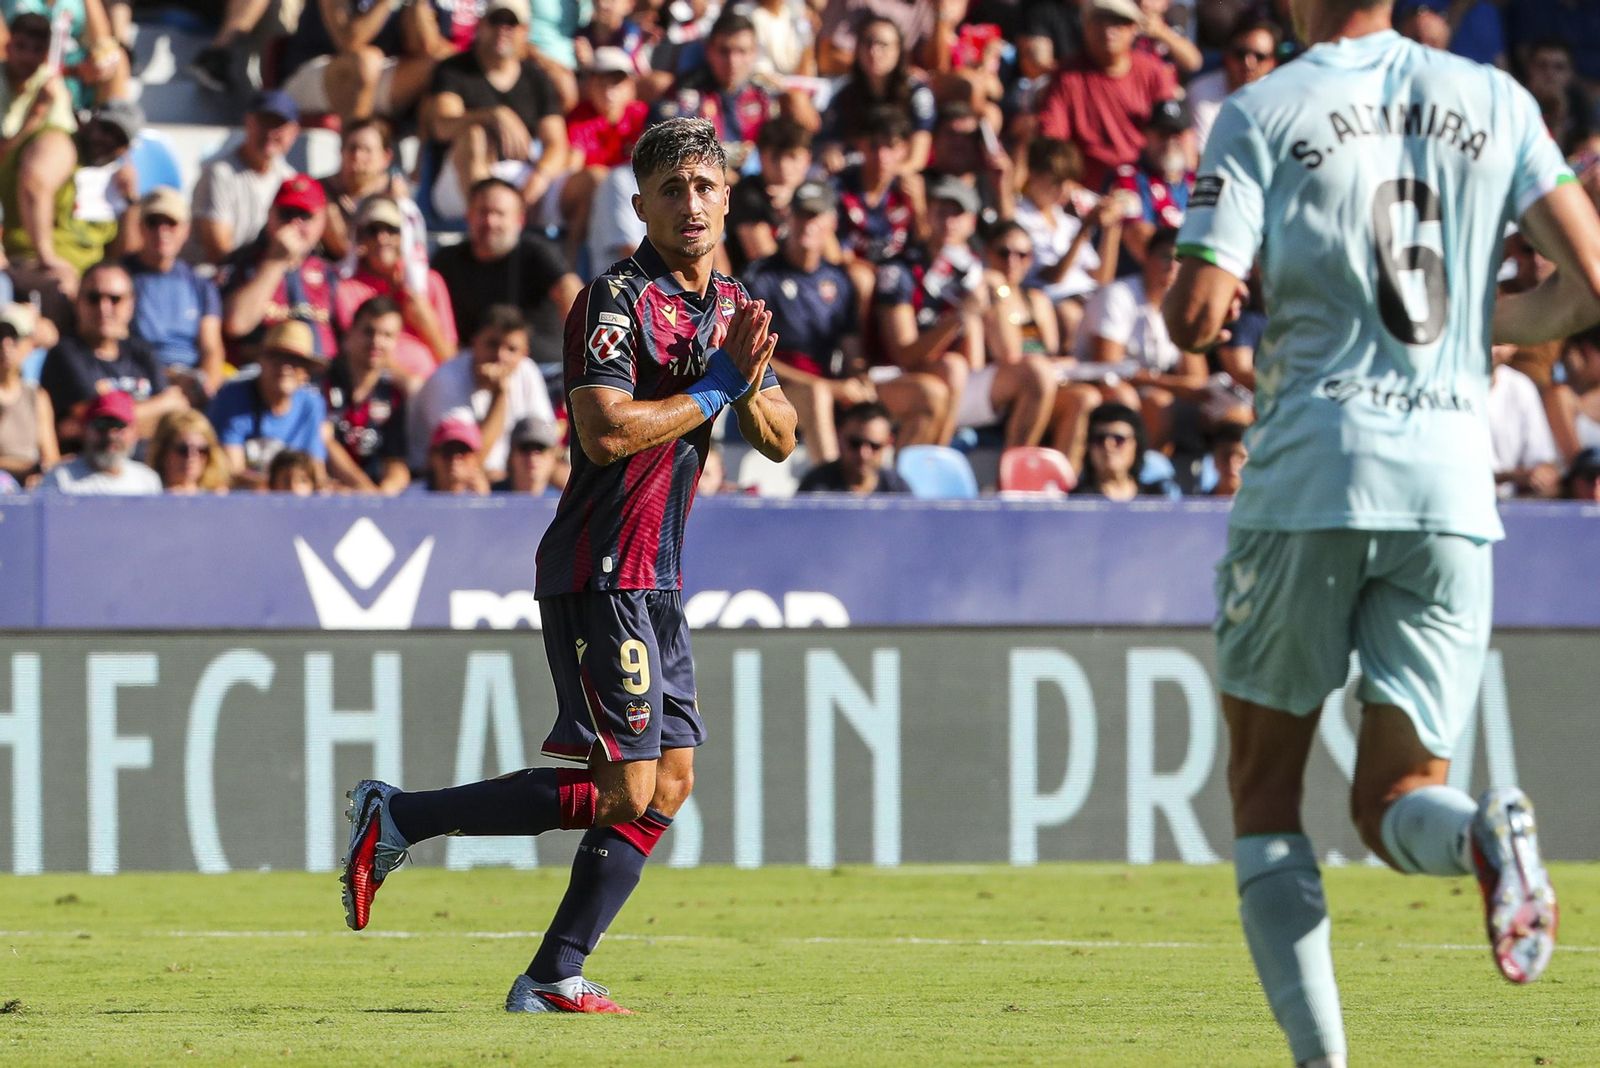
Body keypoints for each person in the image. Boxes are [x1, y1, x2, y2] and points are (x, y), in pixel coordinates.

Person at [1162, 2, 1600, 1063]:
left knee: (1268, 798)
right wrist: (1472, 322)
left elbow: (1193, 312)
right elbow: (1587, 283)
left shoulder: (1262, 106)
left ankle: (1324, 1063)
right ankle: (1480, 831)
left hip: (1311, 470)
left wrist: (1214, 300)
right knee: (1398, 798)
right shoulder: (1493, 96)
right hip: (1450, 483)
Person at [340, 117, 797, 1016]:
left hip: (659, 576)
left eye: (705, 186)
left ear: (728, 197)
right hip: (603, 566)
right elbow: (604, 430)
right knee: (628, 784)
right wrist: (713, 386)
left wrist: (746, 382)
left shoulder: (734, 308)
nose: (691, 204)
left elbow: (779, 441)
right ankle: (401, 817)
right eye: (672, 189)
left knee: (670, 780)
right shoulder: (613, 300)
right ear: (641, 205)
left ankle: (553, 975)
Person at [746, 180, 949, 460]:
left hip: (832, 381)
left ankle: (894, 487)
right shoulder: (760, 278)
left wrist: (858, 379)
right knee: (818, 395)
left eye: (815, 216)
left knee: (931, 394)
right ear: (788, 218)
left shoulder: (839, 281)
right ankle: (831, 486)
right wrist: (830, 387)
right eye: (801, 214)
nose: (808, 224)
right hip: (780, 389)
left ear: (831, 222)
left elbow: (852, 350)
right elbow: (754, 358)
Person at [422, 0, 569, 226]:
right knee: (474, 135)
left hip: (524, 180)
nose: (503, 29)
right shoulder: (453, 69)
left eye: (511, 23)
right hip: (459, 183)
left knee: (590, 182)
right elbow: (442, 126)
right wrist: (493, 115)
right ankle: (488, 222)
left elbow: (557, 144)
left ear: (525, 31)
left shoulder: (537, 78)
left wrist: (537, 180)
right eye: (496, 20)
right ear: (480, 25)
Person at [431, 177, 582, 374]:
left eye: (499, 213)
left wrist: (580, 357)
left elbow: (571, 292)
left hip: (540, 368)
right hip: (470, 372)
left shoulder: (536, 252)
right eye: (483, 212)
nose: (490, 222)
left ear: (519, 220)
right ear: (468, 215)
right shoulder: (447, 259)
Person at [38, 260, 188, 448]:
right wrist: (161, 405)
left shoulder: (141, 351)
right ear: (78, 301)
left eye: (115, 299)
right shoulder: (64, 354)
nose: (104, 308)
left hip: (147, 469)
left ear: (131, 304)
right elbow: (98, 421)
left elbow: (174, 415)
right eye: (94, 298)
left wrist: (106, 419)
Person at [1036, 0, 1179, 191]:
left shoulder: (1153, 73)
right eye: (1099, 21)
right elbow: (1053, 138)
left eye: (1118, 22)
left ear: (1134, 28)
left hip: (1147, 186)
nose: (1108, 30)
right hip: (1086, 189)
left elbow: (1176, 132)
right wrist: (1068, 184)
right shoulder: (1067, 77)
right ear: (1085, 27)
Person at [407, 304, 557, 481]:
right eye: (492, 345)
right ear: (475, 342)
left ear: (524, 353)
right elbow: (467, 464)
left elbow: (547, 446)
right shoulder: (446, 378)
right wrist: (500, 393)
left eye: (512, 349)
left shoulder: (527, 371)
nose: (500, 356)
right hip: (433, 485)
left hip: (504, 480)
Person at [332, 195, 457, 384]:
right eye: (372, 230)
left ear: (404, 234)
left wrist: (426, 323)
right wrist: (408, 381)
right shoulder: (346, 288)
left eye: (391, 229)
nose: (382, 238)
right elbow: (360, 352)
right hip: (380, 388)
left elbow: (450, 361)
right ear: (360, 237)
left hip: (435, 388)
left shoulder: (429, 282)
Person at [219, 175, 339, 363]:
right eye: (287, 214)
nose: (294, 223)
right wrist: (275, 261)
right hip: (258, 378)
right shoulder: (242, 263)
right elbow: (236, 324)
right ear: (270, 215)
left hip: (319, 382)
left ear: (322, 220)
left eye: (305, 216)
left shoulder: (329, 274)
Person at [123, 186, 226, 399]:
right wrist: (168, 380)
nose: (162, 231)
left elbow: (212, 349)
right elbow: (118, 345)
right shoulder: (120, 279)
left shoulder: (200, 285)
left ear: (185, 230)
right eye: (153, 222)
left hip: (190, 383)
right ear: (141, 228)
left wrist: (206, 386)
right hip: (140, 382)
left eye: (171, 223)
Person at [207, 319, 330, 489]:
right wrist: (280, 487)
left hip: (296, 502)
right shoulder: (233, 397)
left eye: (294, 361)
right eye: (276, 357)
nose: (285, 368)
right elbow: (231, 472)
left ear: (306, 373)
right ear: (260, 361)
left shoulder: (312, 404)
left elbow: (315, 471)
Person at [186, 91, 300, 265]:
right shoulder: (220, 173)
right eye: (264, 122)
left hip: (261, 273)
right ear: (248, 122)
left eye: (278, 125)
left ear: (294, 132)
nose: (270, 132)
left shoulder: (288, 177)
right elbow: (219, 251)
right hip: (214, 278)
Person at [324, 295, 412, 495]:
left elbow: (396, 461)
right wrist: (365, 491)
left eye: (387, 335)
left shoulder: (394, 395)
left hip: (371, 493)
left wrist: (385, 491)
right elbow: (325, 443)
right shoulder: (323, 382)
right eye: (368, 331)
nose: (376, 342)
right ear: (350, 333)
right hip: (327, 493)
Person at [1187, 14, 1280, 152]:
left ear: (1273, 63)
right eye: (1240, 53)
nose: (1249, 63)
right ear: (1226, 54)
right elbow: (1203, 154)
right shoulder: (1201, 91)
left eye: (1260, 57)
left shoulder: (1281, 100)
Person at [39, 389, 161, 494]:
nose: (110, 435)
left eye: (118, 426)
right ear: (85, 430)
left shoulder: (147, 482)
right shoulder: (61, 479)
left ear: (134, 432)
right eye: (101, 425)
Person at [796, 401, 910, 494]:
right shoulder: (817, 489)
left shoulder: (896, 489)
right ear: (839, 436)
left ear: (888, 442)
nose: (863, 454)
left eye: (875, 446)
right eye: (855, 443)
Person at [0, 302, 56, 485]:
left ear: (30, 344)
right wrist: (24, 467)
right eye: (0, 335)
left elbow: (51, 460)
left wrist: (38, 475)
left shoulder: (37, 397)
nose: (5, 344)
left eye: (14, 337)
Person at [148, 408, 230, 494]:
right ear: (162, 452)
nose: (192, 457)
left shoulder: (218, 497)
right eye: (183, 450)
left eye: (202, 450)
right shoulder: (146, 491)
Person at [415, 414, 491, 494]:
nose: (455, 458)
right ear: (433, 457)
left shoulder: (499, 494)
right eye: (448, 450)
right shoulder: (413, 497)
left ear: (476, 458)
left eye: (463, 450)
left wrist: (482, 501)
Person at [500, 414, 562, 494]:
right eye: (525, 447)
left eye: (540, 448)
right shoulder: (489, 499)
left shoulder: (564, 501)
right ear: (511, 455)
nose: (532, 456)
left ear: (553, 457)